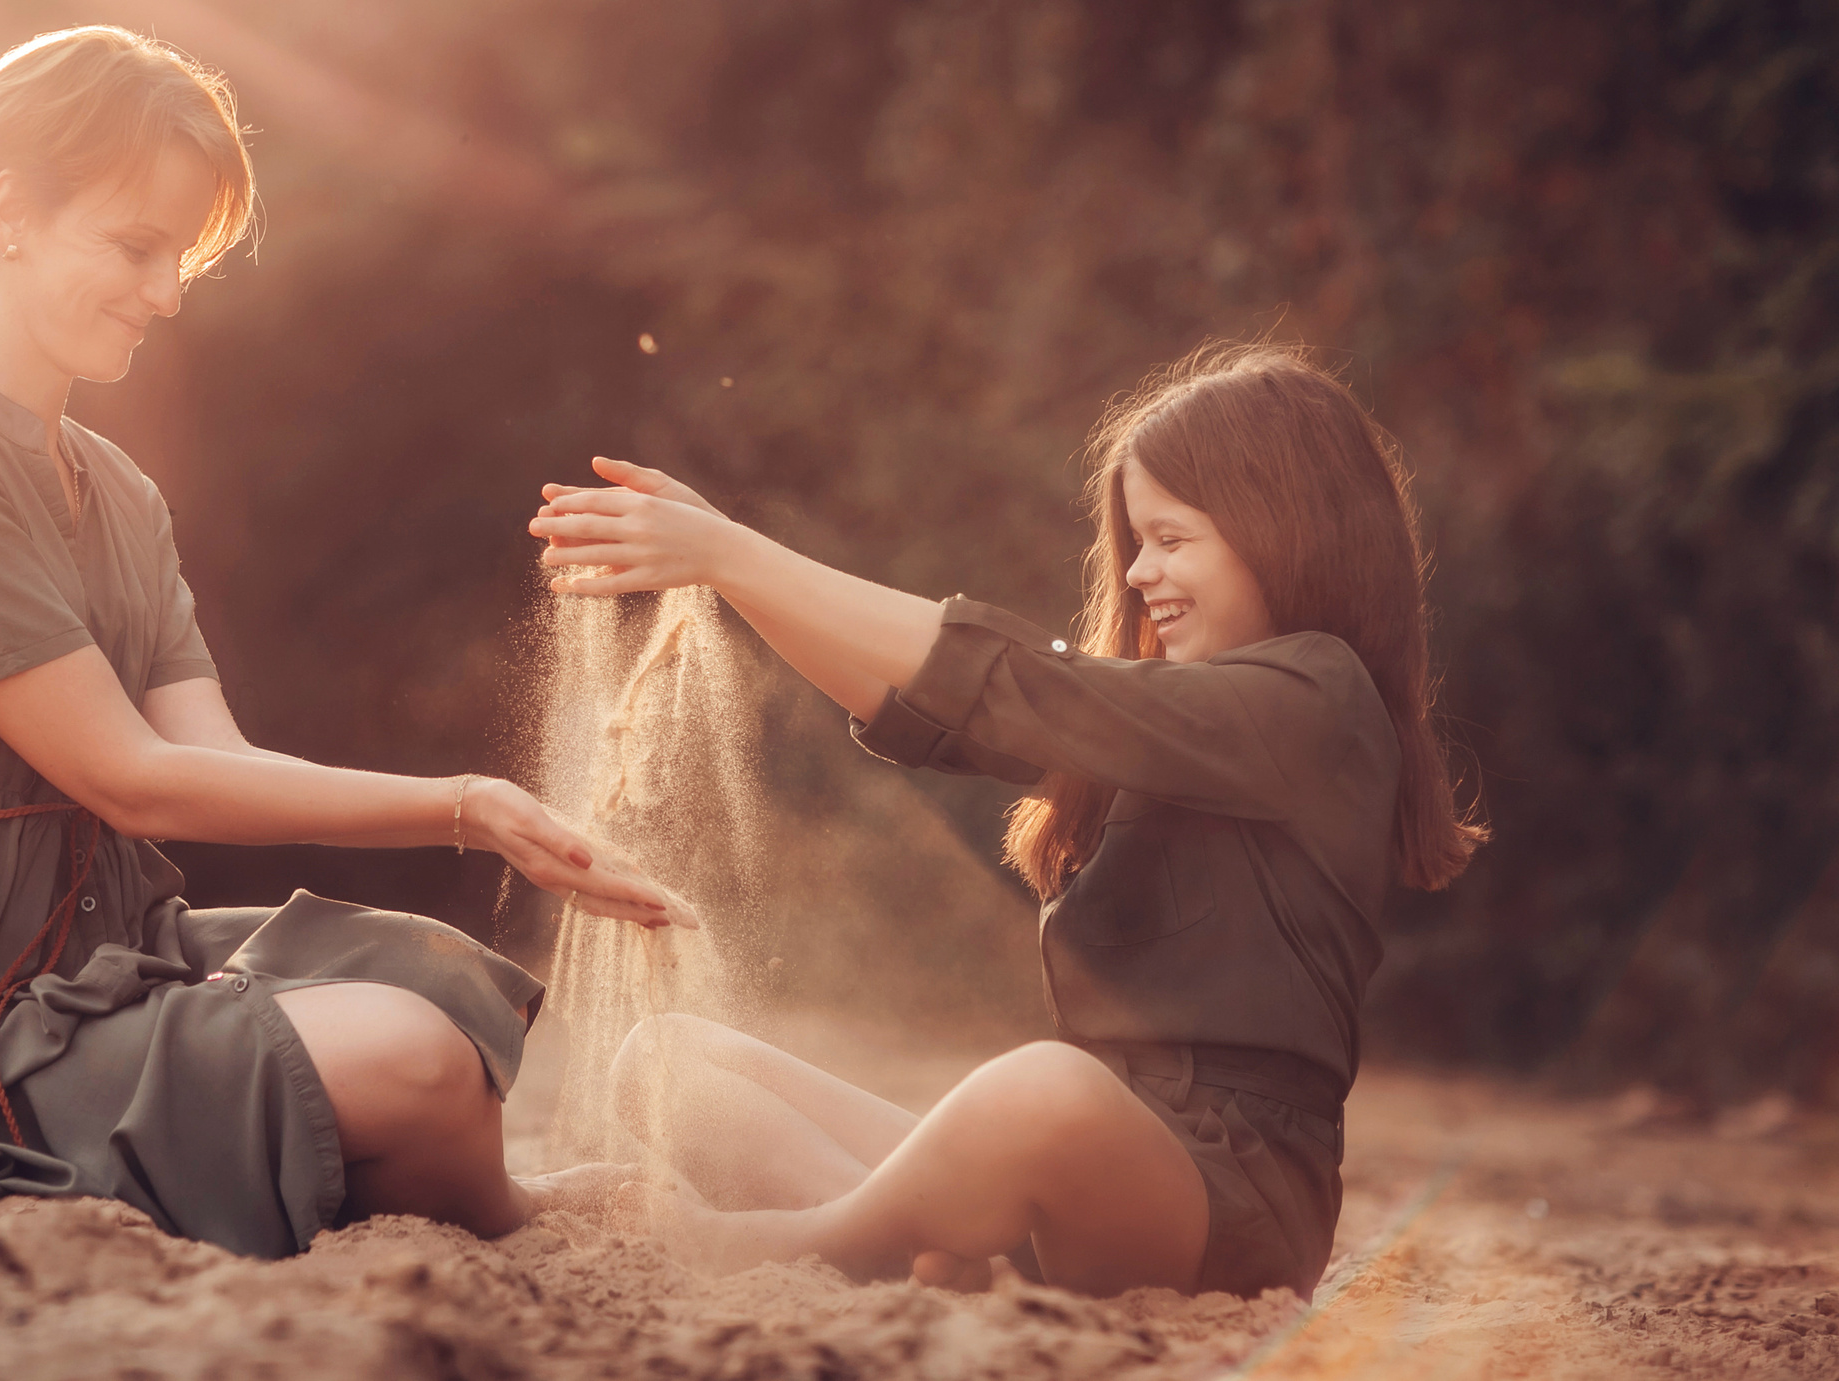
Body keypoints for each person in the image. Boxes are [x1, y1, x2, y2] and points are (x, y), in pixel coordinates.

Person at [0, 26, 684, 1261]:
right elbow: (126, 775)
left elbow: (212, 761)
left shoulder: (119, 489)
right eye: (136, 246)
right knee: (410, 1057)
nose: (169, 290)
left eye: (180, 255)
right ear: (13, 212)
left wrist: (490, 810)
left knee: (437, 984)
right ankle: (507, 1218)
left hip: (96, 956)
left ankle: (455, 1196)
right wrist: (467, 805)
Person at [524, 344, 1484, 1299]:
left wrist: (735, 552)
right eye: (1136, 543)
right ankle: (941, 1252)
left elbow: (1019, 687)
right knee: (669, 1061)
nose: (1143, 572)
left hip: (1224, 1200)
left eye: (1172, 538)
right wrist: (734, 567)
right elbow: (919, 701)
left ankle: (786, 1241)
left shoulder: (1319, 694)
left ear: (1285, 529)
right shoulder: (1180, 714)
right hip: (1079, 1164)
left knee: (1042, 1091)